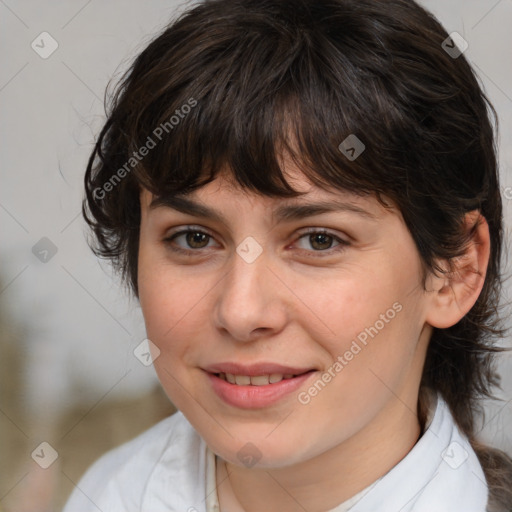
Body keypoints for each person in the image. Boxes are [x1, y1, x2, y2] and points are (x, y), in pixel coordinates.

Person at [63, 0, 512, 510]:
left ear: (454, 270)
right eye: (193, 237)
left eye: (320, 239)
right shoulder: (108, 492)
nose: (241, 312)